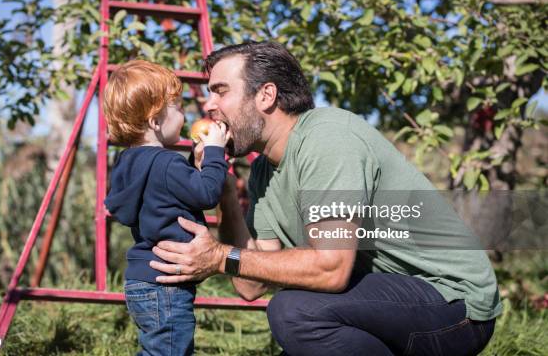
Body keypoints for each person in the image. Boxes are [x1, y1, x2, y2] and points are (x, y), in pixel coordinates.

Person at [148, 42, 502, 355]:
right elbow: (249, 283)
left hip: (454, 305)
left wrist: (218, 256)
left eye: (220, 91)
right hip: (390, 302)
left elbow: (331, 269)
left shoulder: (328, 138)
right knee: (302, 328)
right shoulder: (263, 172)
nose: (208, 105)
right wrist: (224, 189)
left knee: (294, 312)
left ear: (266, 95)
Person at [103, 60, 230, 356]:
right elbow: (208, 194)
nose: (184, 115)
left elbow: (166, 193)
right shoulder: (166, 163)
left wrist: (193, 167)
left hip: (140, 278)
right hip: (166, 284)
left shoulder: (126, 162)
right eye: (178, 107)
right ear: (154, 120)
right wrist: (214, 153)